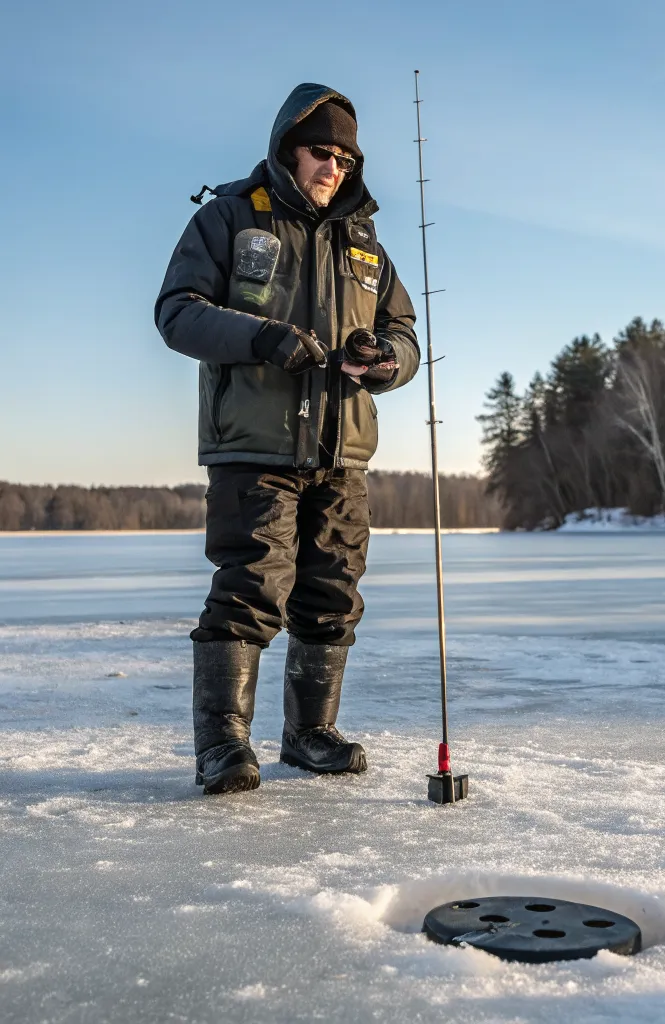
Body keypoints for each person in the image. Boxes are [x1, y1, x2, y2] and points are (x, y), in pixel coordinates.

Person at [155, 83, 418, 795]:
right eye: (319, 152)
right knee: (250, 588)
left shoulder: (366, 245)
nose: (333, 167)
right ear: (286, 150)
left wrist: (387, 359)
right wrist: (263, 338)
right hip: (254, 447)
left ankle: (309, 735)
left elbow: (405, 334)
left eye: (344, 158)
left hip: (342, 452)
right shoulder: (231, 219)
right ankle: (222, 745)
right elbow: (178, 314)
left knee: (333, 594)